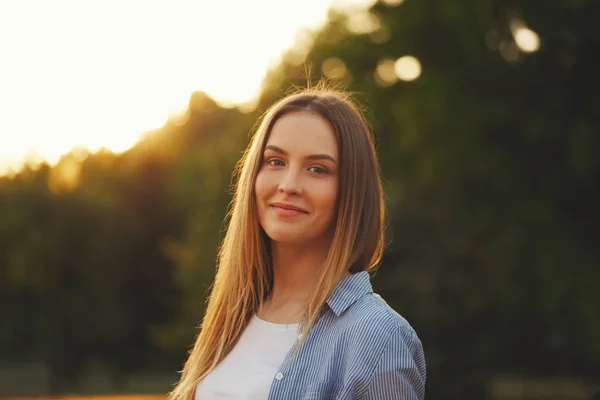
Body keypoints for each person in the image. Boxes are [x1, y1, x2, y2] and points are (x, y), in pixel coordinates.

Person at [169, 89, 426, 400]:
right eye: (275, 161)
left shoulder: (375, 338)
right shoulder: (234, 316)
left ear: (352, 191)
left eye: (317, 169)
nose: (288, 185)